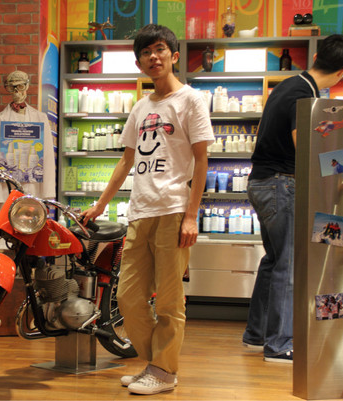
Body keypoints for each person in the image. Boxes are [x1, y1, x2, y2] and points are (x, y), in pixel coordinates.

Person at [81, 24, 214, 395]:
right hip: (139, 212)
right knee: (127, 298)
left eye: (159, 49)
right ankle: (158, 365)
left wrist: (192, 216)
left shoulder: (190, 100)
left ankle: (163, 371)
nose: (153, 57)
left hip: (174, 211)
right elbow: (126, 160)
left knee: (169, 301)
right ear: (139, 62)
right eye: (145, 52)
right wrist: (101, 204)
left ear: (173, 55)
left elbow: (202, 160)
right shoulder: (141, 107)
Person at [242, 34, 343, 363]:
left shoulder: (289, 85)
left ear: (316, 57)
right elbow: (303, 144)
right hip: (282, 184)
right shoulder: (304, 95)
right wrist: (337, 170)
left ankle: (257, 335)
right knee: (288, 265)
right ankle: (279, 345)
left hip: (263, 182)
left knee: (274, 261)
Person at [0, 70, 55, 223]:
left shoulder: (40, 118)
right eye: (13, 87)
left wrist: (48, 195)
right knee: (6, 231)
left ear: (27, 86)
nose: (17, 91)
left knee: (34, 231)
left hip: (35, 189)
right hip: (7, 191)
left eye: (21, 86)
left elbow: (48, 158)